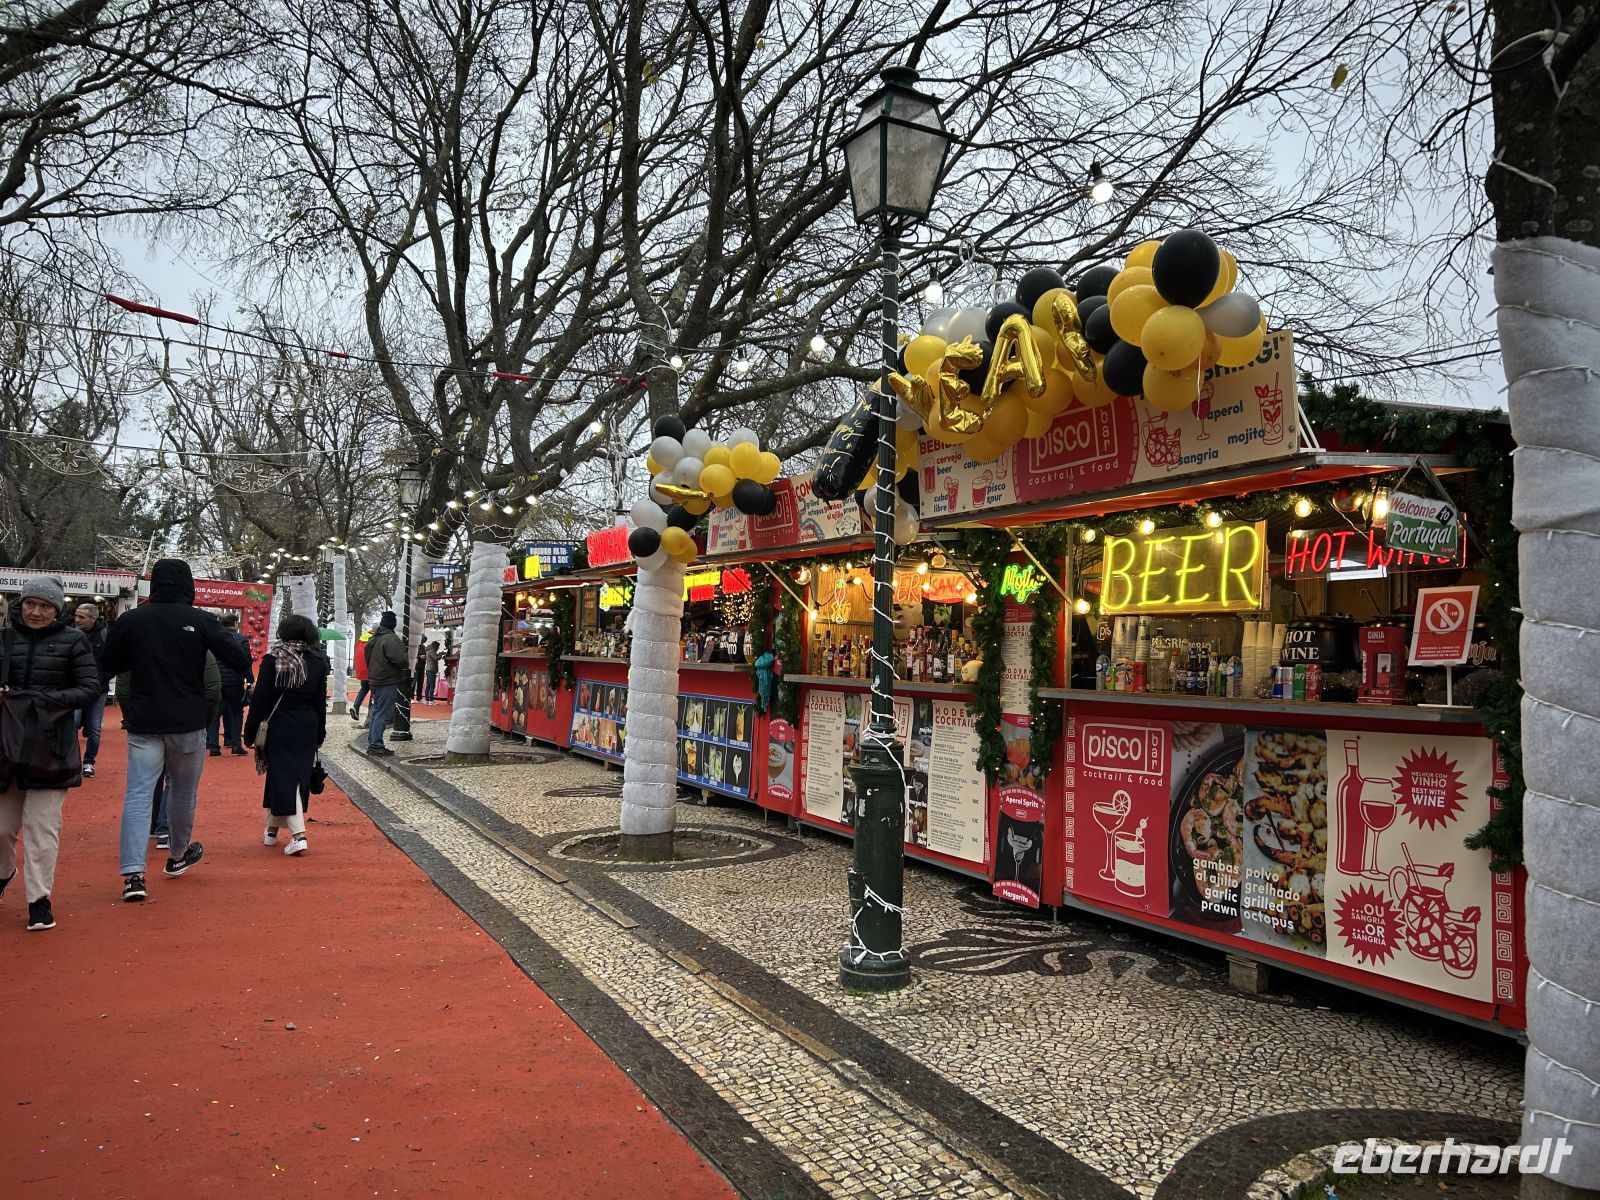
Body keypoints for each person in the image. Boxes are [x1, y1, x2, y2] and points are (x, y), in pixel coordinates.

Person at [100, 559, 251, 902]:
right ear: (189, 586)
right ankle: (178, 854)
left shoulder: (132, 620)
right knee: (183, 791)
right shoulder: (200, 620)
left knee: (138, 794)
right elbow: (240, 659)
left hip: (145, 720)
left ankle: (133, 875)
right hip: (188, 720)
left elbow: (108, 664)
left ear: (153, 584)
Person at [0, 576, 102, 931]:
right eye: (31, 604)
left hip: (52, 746)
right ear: (21, 604)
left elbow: (90, 687)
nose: (36, 612)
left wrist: (44, 701)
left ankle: (39, 899)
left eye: (45, 606)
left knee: (41, 826)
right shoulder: (5, 637)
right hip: (7, 745)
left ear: (57, 609)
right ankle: (4, 872)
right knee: (2, 828)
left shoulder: (74, 641)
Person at [244, 614, 329, 856]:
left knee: (285, 777)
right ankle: (272, 829)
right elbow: (320, 702)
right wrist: (320, 731)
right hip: (307, 724)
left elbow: (261, 700)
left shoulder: (273, 659)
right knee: (292, 775)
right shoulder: (317, 661)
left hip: (279, 724)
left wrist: (250, 731)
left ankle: (299, 835)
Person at [206, 612, 255, 756]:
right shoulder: (241, 640)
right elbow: (246, 662)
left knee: (215, 714)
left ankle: (214, 747)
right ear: (235, 623)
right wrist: (250, 680)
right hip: (235, 681)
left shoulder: (213, 638)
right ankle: (236, 745)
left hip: (217, 680)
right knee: (236, 712)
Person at [363, 611, 408, 757]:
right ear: (392, 624)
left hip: (375, 679)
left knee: (377, 711)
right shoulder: (389, 638)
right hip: (386, 679)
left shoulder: (374, 638)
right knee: (383, 713)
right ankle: (376, 745)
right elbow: (401, 660)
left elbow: (367, 658)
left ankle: (372, 742)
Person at [72, 603, 109, 778]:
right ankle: (72, 760)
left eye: (82, 617)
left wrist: (99, 681)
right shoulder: (70, 634)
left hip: (98, 689)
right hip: (75, 688)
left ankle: (89, 762)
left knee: (94, 728)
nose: (77, 620)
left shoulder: (105, 636)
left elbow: (111, 663)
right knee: (72, 723)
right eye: (76, 615)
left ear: (93, 619)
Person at [349, 628, 372, 723]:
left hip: (362, 670)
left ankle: (356, 706)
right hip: (371, 670)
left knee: (364, 688)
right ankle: (370, 715)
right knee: (374, 693)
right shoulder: (374, 638)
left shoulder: (362, 638)